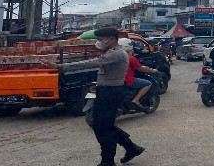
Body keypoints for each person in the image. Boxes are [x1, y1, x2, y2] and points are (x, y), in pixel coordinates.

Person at [43, 28, 145, 166]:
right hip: (106, 91)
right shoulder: (112, 52)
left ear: (112, 39)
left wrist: (60, 67)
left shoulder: (117, 54)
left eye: (102, 39)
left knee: (103, 127)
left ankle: (108, 160)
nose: (99, 42)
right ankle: (131, 148)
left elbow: (91, 63)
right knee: (102, 125)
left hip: (111, 92)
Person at [119, 38, 159, 111]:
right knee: (148, 83)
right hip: (128, 81)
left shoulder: (115, 57)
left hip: (116, 81)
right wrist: (152, 71)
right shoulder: (130, 58)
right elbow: (141, 68)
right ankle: (136, 100)